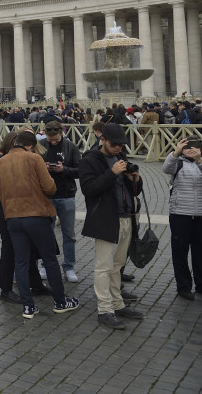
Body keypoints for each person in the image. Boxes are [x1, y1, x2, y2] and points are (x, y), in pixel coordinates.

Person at [0, 130, 80, 318]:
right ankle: (60, 301)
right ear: (31, 145)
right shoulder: (34, 159)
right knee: (49, 259)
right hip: (35, 215)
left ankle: (28, 307)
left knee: (21, 262)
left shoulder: (0, 163)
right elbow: (50, 187)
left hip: (13, 218)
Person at [79, 123, 145, 330]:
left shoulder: (121, 157)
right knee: (104, 267)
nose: (118, 148)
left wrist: (135, 180)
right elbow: (89, 190)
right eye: (115, 144)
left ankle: (117, 304)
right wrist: (112, 173)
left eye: (121, 145)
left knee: (118, 266)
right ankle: (104, 310)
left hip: (126, 217)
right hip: (106, 219)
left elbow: (133, 190)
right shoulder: (89, 160)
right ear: (103, 140)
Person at [41, 121, 81, 283]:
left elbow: (80, 170)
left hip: (66, 195)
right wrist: (43, 168)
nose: (53, 142)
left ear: (62, 133)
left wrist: (63, 169)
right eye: (51, 140)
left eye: (56, 139)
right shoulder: (40, 145)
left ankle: (69, 266)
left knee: (69, 234)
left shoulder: (71, 147)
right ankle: (45, 264)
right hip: (46, 196)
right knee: (46, 234)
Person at [163, 138, 202, 300]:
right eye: (188, 147)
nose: (191, 150)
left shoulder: (200, 163)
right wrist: (176, 152)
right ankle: (184, 286)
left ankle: (200, 284)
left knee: (200, 252)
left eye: (195, 147)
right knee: (180, 252)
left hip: (200, 214)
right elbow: (166, 168)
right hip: (180, 214)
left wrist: (199, 160)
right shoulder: (177, 162)